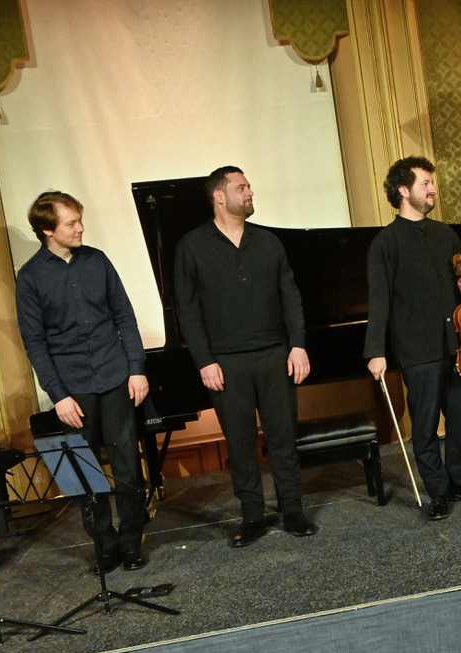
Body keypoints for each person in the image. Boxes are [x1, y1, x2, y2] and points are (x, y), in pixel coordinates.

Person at [173, 166, 314, 547]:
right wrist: (204, 360)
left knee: (283, 438)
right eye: (241, 187)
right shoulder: (192, 246)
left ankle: (292, 510)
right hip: (226, 362)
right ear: (219, 197)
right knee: (239, 442)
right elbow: (187, 311)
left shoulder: (267, 242)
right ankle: (252, 515)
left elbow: (291, 296)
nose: (250, 192)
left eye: (249, 186)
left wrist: (298, 344)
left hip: (274, 355)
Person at [16, 191, 150, 571]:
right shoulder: (30, 277)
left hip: (115, 376)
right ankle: (104, 546)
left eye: (79, 220)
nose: (81, 228)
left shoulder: (97, 260)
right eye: (71, 223)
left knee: (127, 466)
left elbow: (124, 316)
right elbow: (35, 342)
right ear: (47, 229)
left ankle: (131, 542)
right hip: (73, 388)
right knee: (83, 471)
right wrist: (58, 395)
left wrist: (137, 368)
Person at [364, 156, 461, 521]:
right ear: (404, 191)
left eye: (431, 183)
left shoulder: (445, 234)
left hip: (457, 344)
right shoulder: (385, 243)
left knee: (459, 419)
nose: (432, 189)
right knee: (424, 426)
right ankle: (438, 492)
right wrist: (375, 351)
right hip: (418, 349)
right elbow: (379, 302)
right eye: (425, 183)